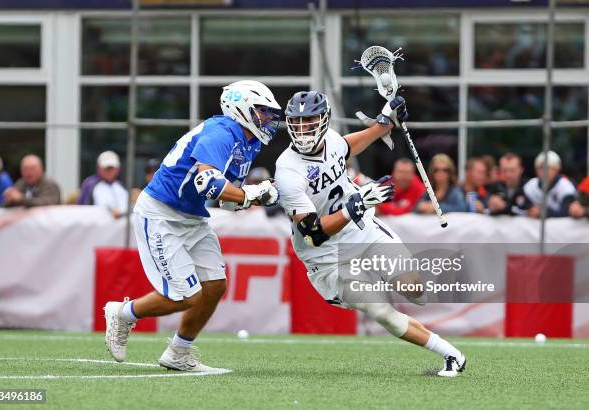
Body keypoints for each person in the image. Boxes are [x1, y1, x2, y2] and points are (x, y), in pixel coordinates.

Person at [275, 91, 465, 377]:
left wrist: (385, 120)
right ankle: (452, 355)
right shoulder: (287, 171)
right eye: (298, 122)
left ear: (324, 120)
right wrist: (357, 205)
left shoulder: (333, 141)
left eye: (310, 120)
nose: (303, 128)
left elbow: (348, 146)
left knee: (415, 290)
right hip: (326, 258)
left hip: (362, 233)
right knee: (381, 312)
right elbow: (313, 234)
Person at [104, 80, 281, 371]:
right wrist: (252, 193)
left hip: (191, 216)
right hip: (161, 212)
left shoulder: (247, 142)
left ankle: (178, 352)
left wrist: (259, 196)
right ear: (241, 108)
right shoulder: (222, 132)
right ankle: (123, 313)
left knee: (214, 285)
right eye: (262, 111)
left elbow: (227, 200)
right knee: (186, 295)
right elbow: (208, 182)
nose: (268, 118)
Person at [523, 150, 577, 218]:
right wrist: (530, 211)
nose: (544, 172)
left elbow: (566, 213)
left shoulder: (566, 187)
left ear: (557, 169)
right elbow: (523, 208)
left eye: (547, 168)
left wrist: (543, 213)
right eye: (540, 168)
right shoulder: (530, 186)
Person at [79, 151, 128, 218]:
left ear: (118, 169)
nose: (109, 170)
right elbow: (83, 210)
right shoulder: (90, 184)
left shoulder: (121, 186)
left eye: (111, 168)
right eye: (106, 168)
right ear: (98, 168)